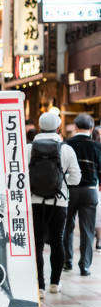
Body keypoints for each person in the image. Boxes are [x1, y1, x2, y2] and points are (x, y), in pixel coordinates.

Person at [27, 112, 81, 297]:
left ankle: (39, 286)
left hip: (34, 201)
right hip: (59, 202)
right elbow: (76, 178)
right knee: (57, 242)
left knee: (37, 244)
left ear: (39, 127)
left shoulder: (29, 148)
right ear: (58, 128)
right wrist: (61, 180)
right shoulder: (66, 149)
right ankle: (54, 284)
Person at [64, 114, 101, 276]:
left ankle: (67, 261)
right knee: (87, 229)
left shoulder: (67, 144)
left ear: (75, 127)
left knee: (67, 226)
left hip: (70, 190)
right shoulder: (97, 146)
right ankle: (84, 266)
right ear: (91, 128)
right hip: (90, 191)